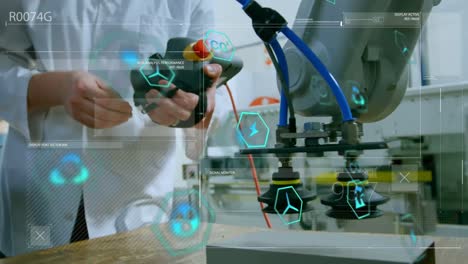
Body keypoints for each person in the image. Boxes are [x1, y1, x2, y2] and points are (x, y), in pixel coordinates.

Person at [0, 0, 220, 257]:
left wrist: (187, 107)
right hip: (39, 183)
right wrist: (54, 87)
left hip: (135, 190)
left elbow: (207, 83)